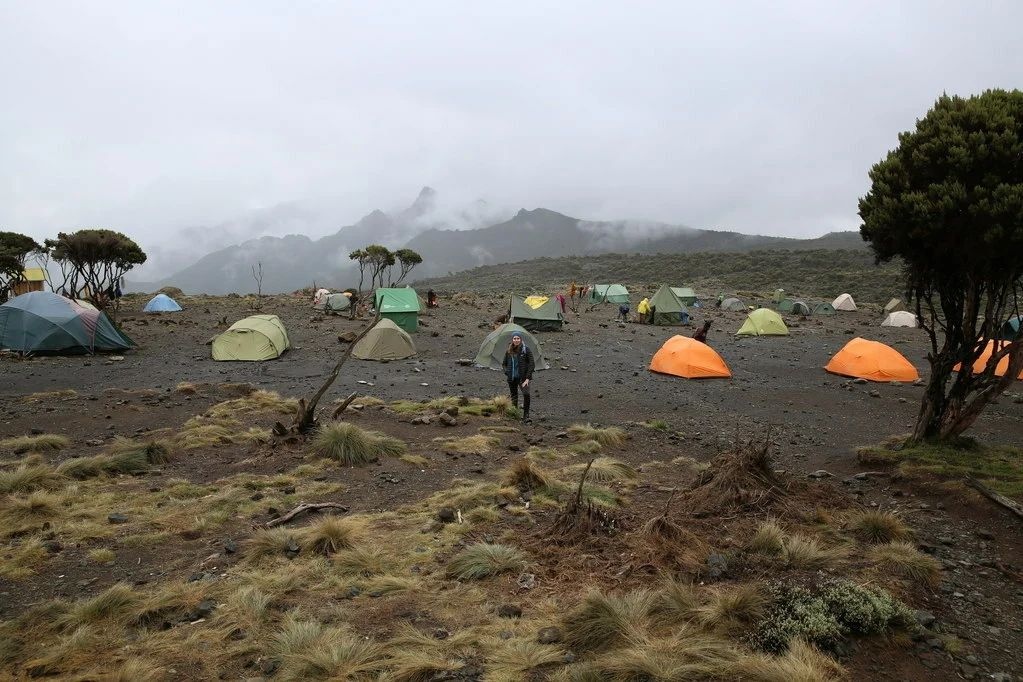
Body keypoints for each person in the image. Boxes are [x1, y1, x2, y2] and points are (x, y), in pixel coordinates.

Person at [502, 333, 534, 422]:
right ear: (512, 340)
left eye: (518, 338)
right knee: (514, 396)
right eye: (515, 338)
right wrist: (507, 372)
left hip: (523, 378)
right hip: (512, 378)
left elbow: (532, 364)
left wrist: (527, 378)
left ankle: (526, 415)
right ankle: (514, 413)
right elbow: (504, 364)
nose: (516, 340)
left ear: (521, 339)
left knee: (526, 394)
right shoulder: (509, 351)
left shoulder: (526, 350)